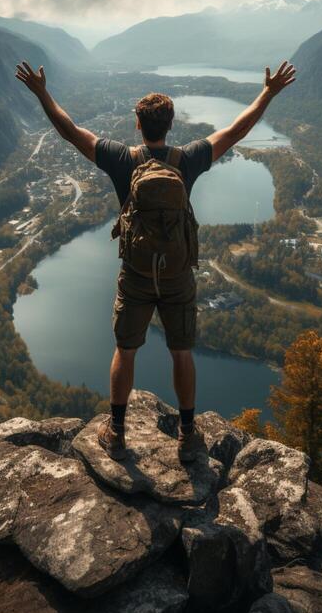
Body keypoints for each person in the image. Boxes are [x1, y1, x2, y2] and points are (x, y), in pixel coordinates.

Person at [15, 59, 296, 462]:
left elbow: (71, 132)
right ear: (170, 124)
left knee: (125, 350)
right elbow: (236, 131)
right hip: (178, 276)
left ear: (138, 125)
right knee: (182, 352)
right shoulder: (189, 158)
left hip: (136, 275)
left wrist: (42, 92)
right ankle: (187, 435)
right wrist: (268, 92)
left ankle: (115, 431)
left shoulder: (121, 159)